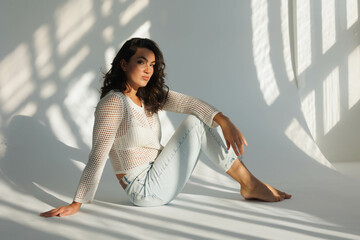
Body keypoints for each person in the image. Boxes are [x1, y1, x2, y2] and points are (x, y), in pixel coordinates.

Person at [40, 38, 291, 218]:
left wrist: (224, 120)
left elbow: (191, 103)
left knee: (196, 117)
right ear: (124, 64)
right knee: (195, 123)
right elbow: (98, 154)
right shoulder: (114, 103)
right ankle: (249, 183)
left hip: (157, 176)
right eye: (142, 62)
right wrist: (77, 203)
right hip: (144, 189)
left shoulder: (148, 97)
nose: (148, 70)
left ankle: (249, 183)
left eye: (152, 65)